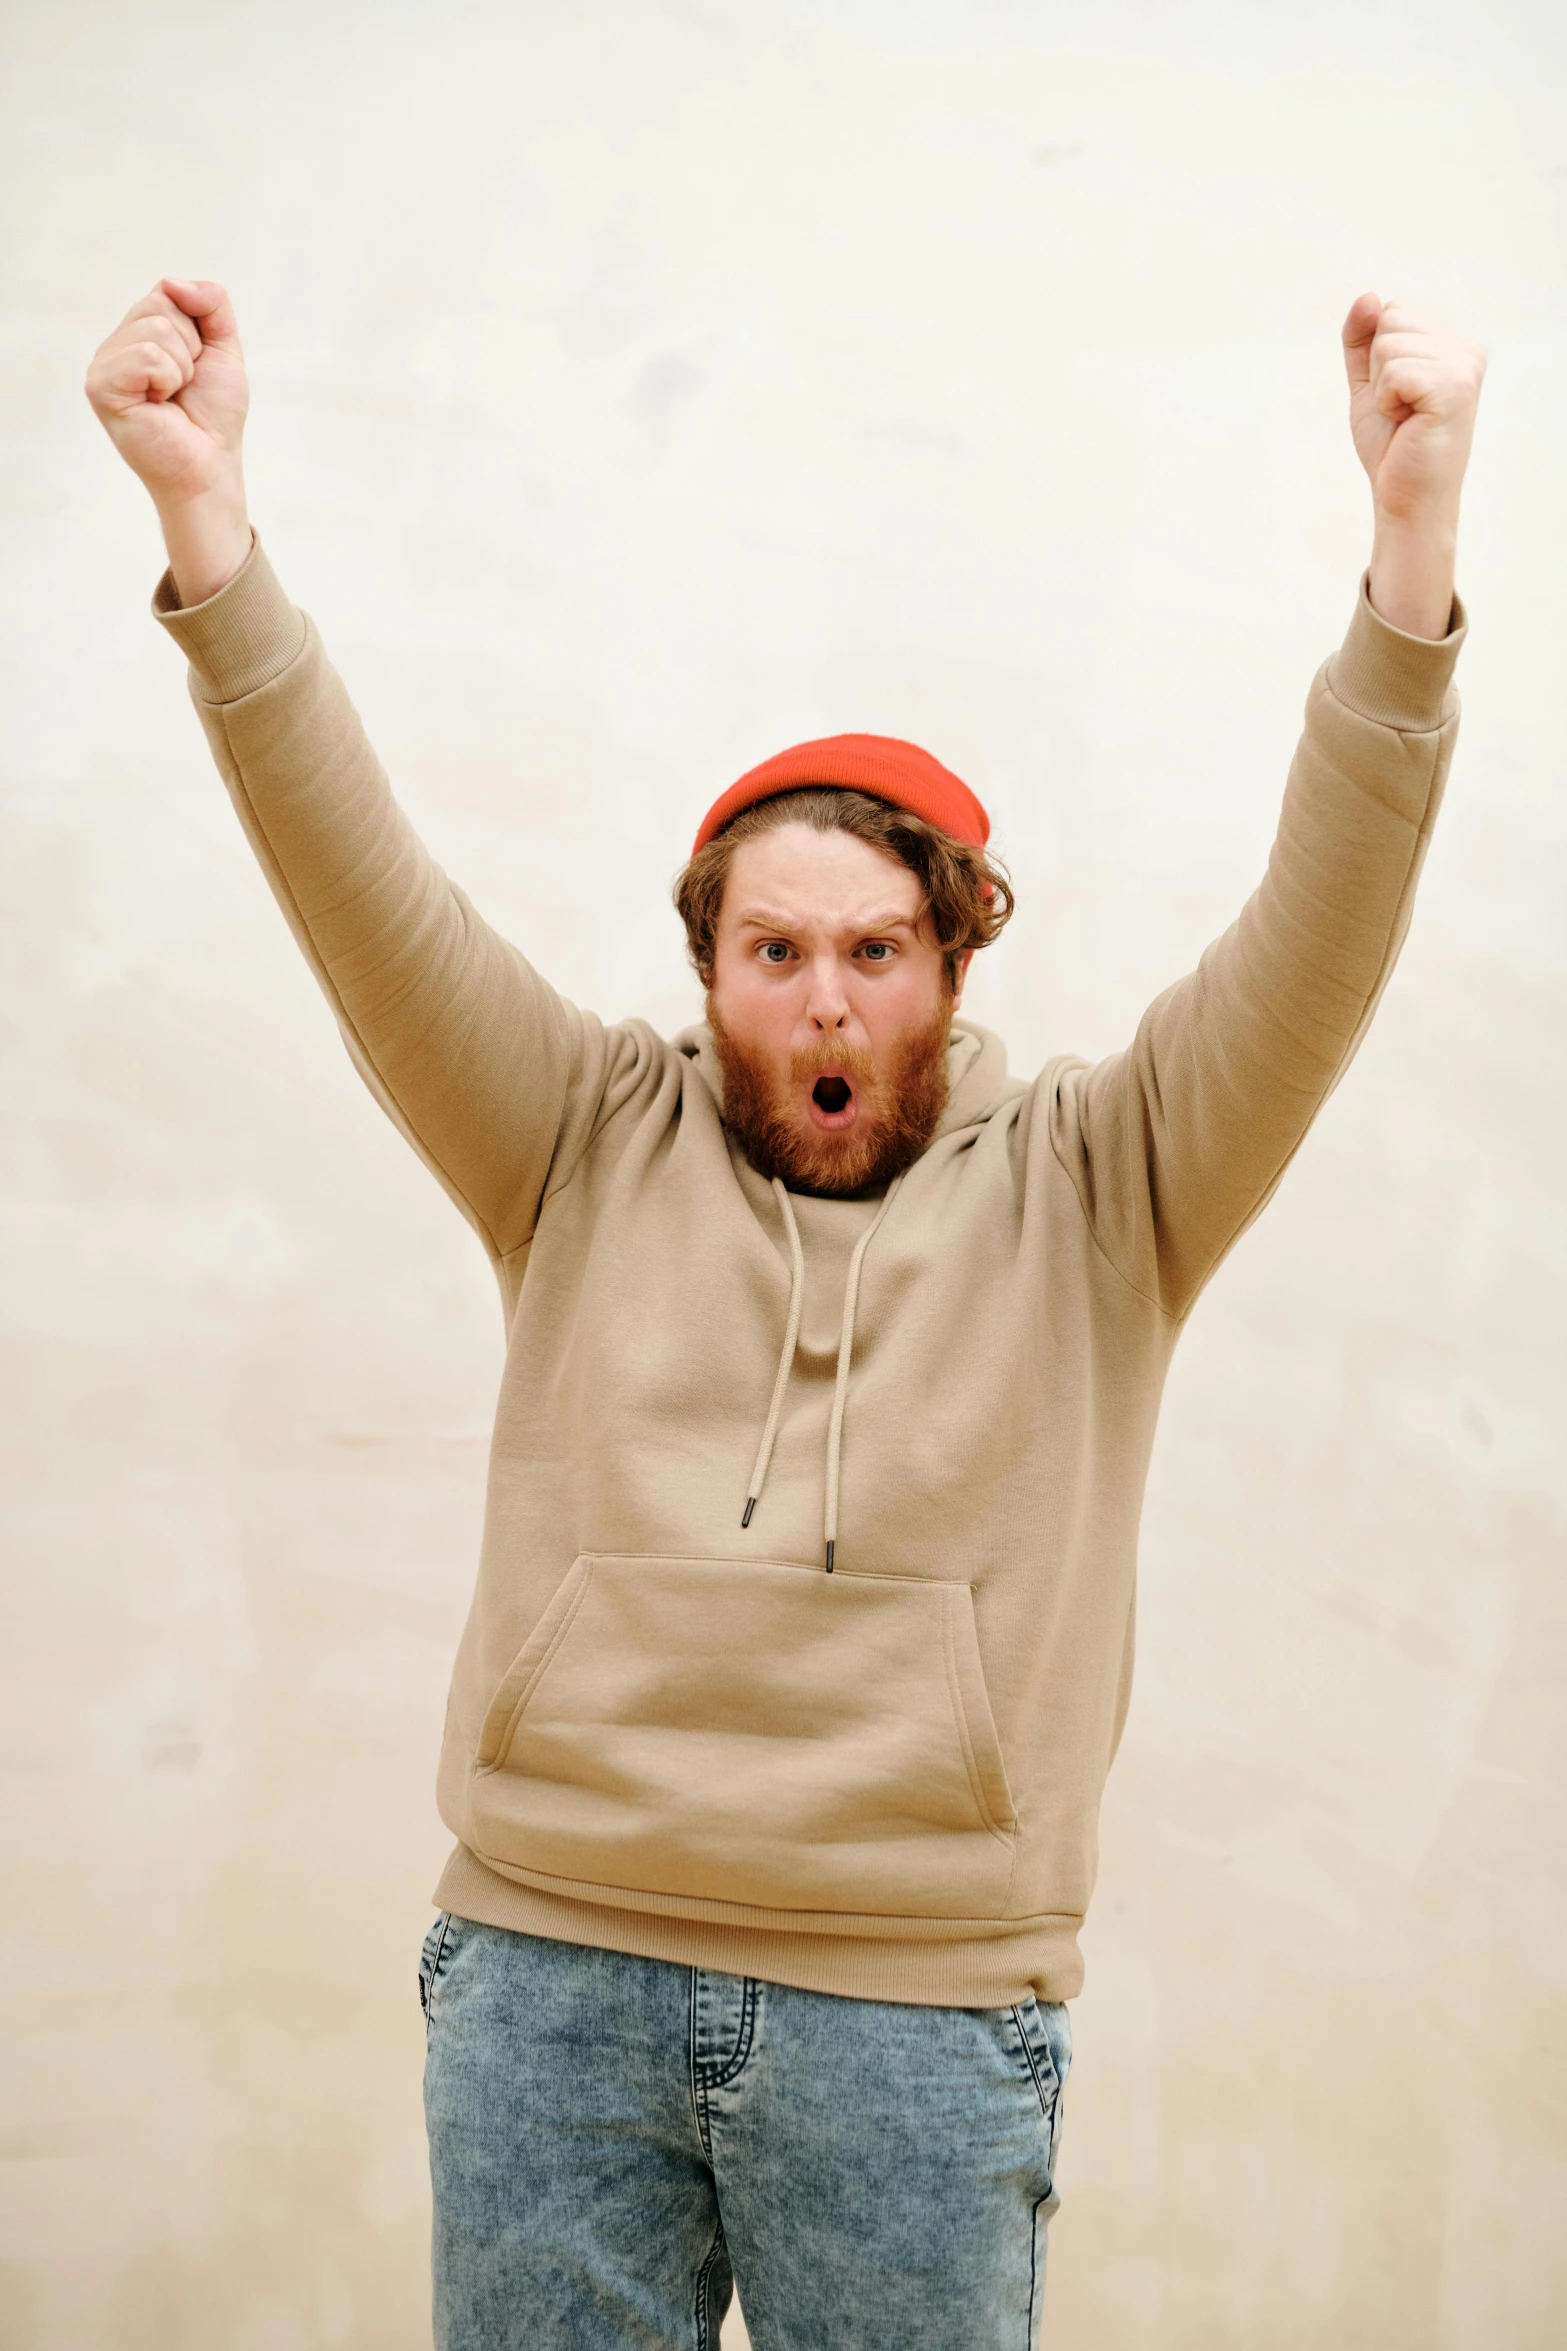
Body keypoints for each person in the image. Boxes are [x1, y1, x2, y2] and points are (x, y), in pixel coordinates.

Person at [86, 276, 1484, 2351]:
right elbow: (353, 870)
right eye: (772, 949)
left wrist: (1413, 547)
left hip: (919, 2020)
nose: (825, 1000)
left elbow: (1326, 915)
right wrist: (206, 519)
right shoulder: (570, 1132)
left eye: (876, 947)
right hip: (552, 1982)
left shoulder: (1112, 1182)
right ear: (709, 958)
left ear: (954, 957)